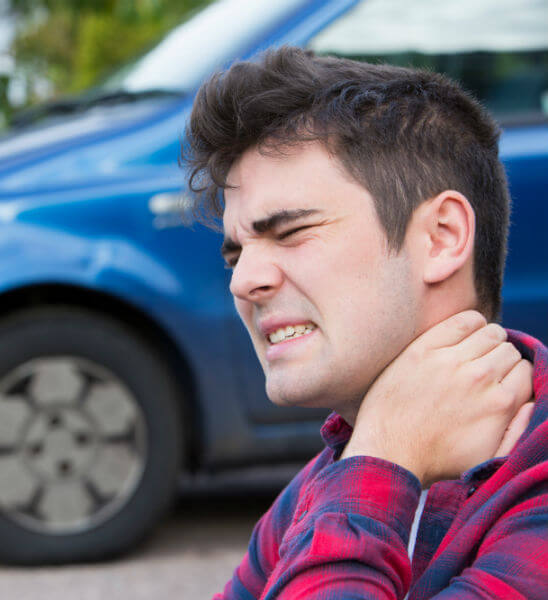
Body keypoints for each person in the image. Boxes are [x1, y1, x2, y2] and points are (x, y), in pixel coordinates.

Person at [183, 46, 547, 599]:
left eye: (291, 232)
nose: (242, 281)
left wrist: (385, 453)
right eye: (236, 254)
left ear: (442, 237)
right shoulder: (324, 480)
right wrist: (380, 453)